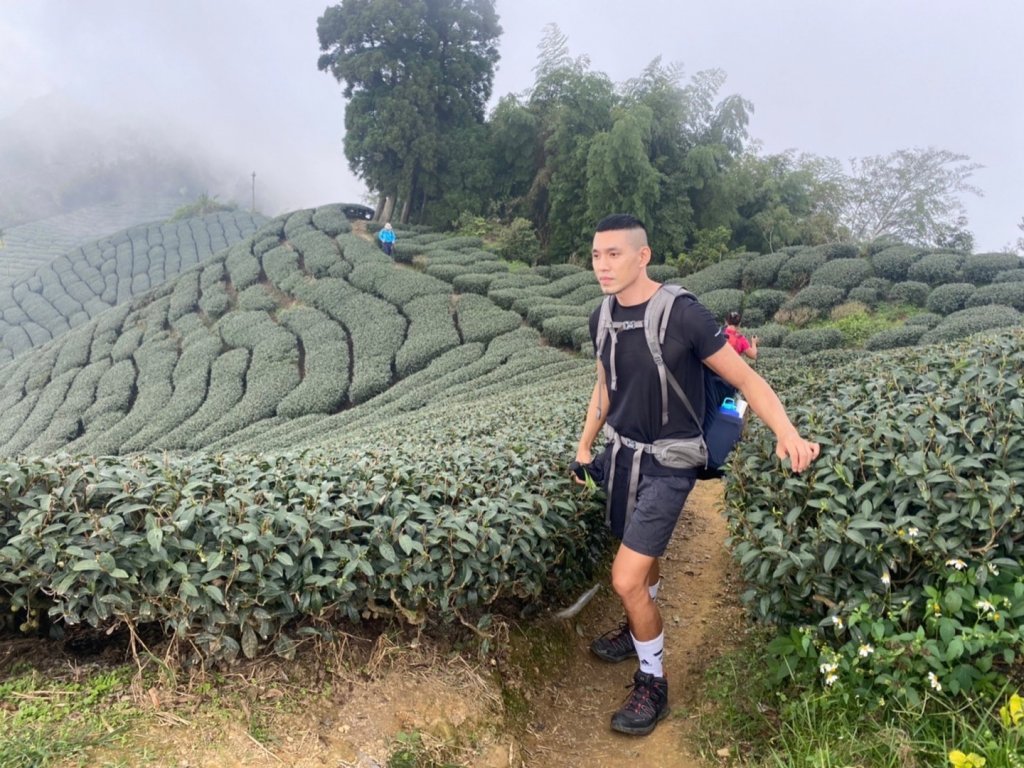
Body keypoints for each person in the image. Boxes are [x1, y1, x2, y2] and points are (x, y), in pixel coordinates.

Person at [574, 214, 819, 736]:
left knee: (625, 577)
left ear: (643, 256)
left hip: (670, 461)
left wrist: (787, 433)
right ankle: (638, 621)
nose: (602, 265)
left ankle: (652, 681)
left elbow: (747, 379)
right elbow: (604, 385)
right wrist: (585, 445)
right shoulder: (601, 316)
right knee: (639, 562)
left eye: (614, 254)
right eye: (596, 255)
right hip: (622, 456)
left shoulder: (682, 314)